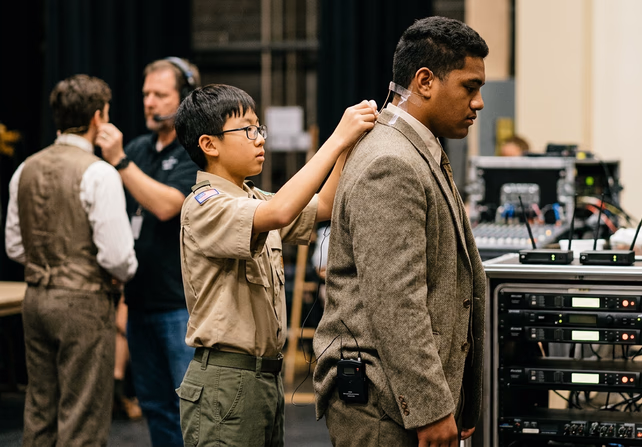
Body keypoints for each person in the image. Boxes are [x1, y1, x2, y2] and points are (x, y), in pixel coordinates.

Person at [313, 16, 488, 447]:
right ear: (425, 81)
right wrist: (431, 408)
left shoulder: (414, 148)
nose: (479, 102)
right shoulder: (390, 161)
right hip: (386, 412)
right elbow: (397, 301)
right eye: (470, 86)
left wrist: (459, 399)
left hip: (402, 402)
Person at [172, 83, 377, 446]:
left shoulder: (251, 197)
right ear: (209, 144)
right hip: (225, 379)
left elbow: (324, 204)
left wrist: (346, 144)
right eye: (247, 129)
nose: (259, 139)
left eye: (259, 128)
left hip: (263, 378)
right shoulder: (205, 205)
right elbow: (281, 210)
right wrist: (334, 139)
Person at [4, 74, 138, 446]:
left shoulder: (24, 169)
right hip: (83, 302)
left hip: (35, 300)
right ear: (98, 117)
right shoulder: (99, 172)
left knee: (40, 409)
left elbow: (15, 247)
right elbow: (119, 258)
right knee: (83, 415)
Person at [96, 57, 200, 446]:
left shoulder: (195, 150)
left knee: (188, 411)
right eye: (145, 95)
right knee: (155, 407)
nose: (150, 103)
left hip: (178, 306)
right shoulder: (139, 147)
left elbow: (166, 205)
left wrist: (119, 161)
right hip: (138, 304)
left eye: (160, 94)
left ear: (184, 97)